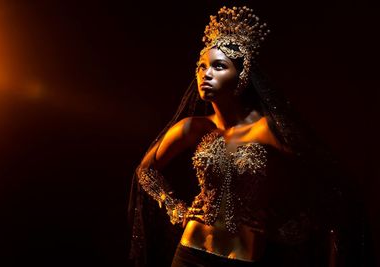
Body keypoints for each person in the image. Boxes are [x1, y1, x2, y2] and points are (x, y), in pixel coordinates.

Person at [128, 5, 362, 267]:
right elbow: (146, 170)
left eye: (218, 66)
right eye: (201, 66)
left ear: (242, 75)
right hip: (189, 252)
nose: (206, 74)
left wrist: (287, 228)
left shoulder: (268, 130)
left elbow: (332, 185)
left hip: (242, 257)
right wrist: (176, 208)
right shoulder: (194, 127)